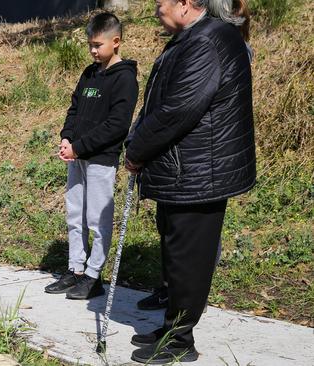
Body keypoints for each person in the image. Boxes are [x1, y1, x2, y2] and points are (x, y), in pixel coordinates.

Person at [125, 0, 255, 363]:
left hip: (199, 173)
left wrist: (137, 149)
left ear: (184, 3)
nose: (155, 9)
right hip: (185, 170)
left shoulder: (207, 41)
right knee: (176, 252)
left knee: (188, 261)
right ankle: (172, 327)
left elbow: (178, 110)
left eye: (160, 2)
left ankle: (180, 342)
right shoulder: (195, 37)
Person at [44, 12, 138, 300]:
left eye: (98, 45)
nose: (93, 51)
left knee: (97, 220)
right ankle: (75, 269)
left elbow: (117, 126)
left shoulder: (124, 80)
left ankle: (94, 275)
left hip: (100, 159)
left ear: (116, 41)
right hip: (77, 157)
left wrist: (80, 147)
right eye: (90, 46)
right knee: (75, 215)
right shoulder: (89, 73)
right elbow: (74, 110)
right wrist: (66, 138)